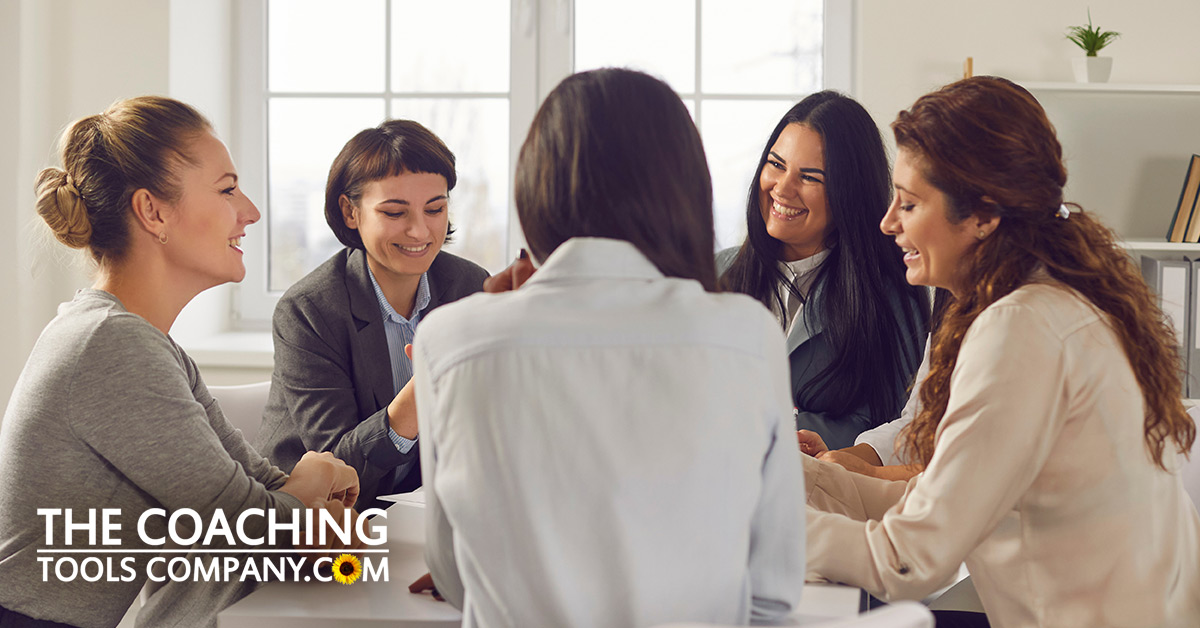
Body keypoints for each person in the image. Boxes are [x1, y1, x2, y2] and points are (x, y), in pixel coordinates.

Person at [412, 68, 805, 627]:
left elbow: (453, 576)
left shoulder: (450, 338)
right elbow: (772, 592)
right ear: (682, 190)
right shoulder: (745, 334)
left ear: (536, 189)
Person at [804, 76, 1200, 627]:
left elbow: (909, 559)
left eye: (910, 203)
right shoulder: (1057, 297)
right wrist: (810, 481)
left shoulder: (1020, 329)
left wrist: (767, 519)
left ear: (984, 216)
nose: (887, 222)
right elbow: (947, 501)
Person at [0, 96, 360, 628]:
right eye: (227, 189)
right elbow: (247, 522)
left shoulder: (148, 345)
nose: (250, 212)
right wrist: (312, 481)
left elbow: (257, 487)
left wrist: (304, 487)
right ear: (153, 211)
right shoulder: (111, 347)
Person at [255, 120, 488, 510]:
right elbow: (337, 467)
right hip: (317, 526)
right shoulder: (309, 310)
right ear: (350, 211)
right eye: (395, 212)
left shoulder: (469, 286)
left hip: (424, 515)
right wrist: (420, 394)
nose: (419, 231)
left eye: (435, 209)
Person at [718, 91, 928, 450]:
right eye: (776, 164)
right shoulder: (716, 272)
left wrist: (812, 437)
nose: (782, 189)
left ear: (849, 193)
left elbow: (904, 426)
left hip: (833, 494)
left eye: (810, 177)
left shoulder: (890, 290)